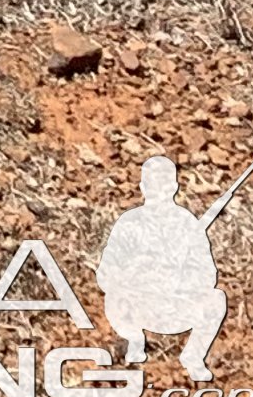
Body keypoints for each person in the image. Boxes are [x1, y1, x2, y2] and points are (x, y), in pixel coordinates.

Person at [96, 155, 228, 382]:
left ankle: (193, 356)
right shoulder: (129, 222)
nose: (158, 192)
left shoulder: (187, 223)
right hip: (137, 307)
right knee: (114, 297)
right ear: (142, 187)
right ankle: (134, 341)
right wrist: (136, 276)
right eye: (153, 186)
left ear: (174, 187)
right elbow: (106, 274)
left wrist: (181, 281)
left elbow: (207, 273)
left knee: (216, 299)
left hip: (175, 307)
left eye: (164, 186)